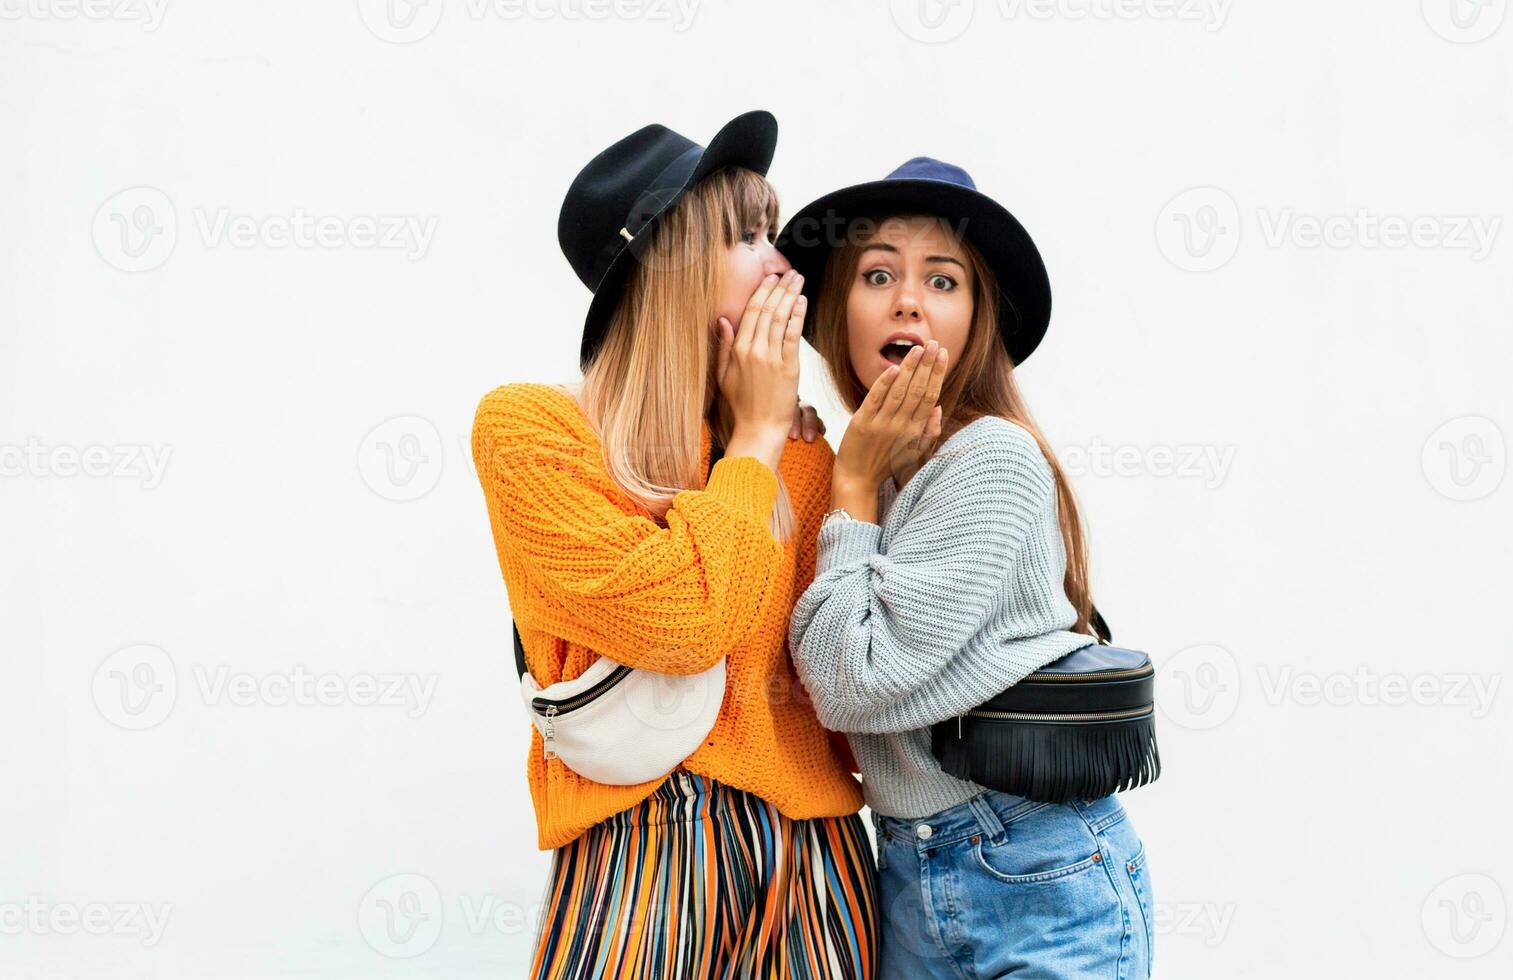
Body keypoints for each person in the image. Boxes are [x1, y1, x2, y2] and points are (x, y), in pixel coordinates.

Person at [470, 111, 877, 979]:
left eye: (772, 231)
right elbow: (684, 621)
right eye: (745, 236)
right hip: (642, 858)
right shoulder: (534, 431)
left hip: (817, 859)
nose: (781, 264)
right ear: (670, 268)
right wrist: (756, 446)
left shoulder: (806, 454)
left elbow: (841, 668)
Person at [779, 157, 1155, 980]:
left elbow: (848, 682)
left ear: (977, 320)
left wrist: (842, 487)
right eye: (877, 273)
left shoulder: (990, 458)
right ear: (839, 310)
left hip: (1037, 871)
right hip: (912, 871)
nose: (908, 298)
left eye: (941, 280)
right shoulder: (876, 476)